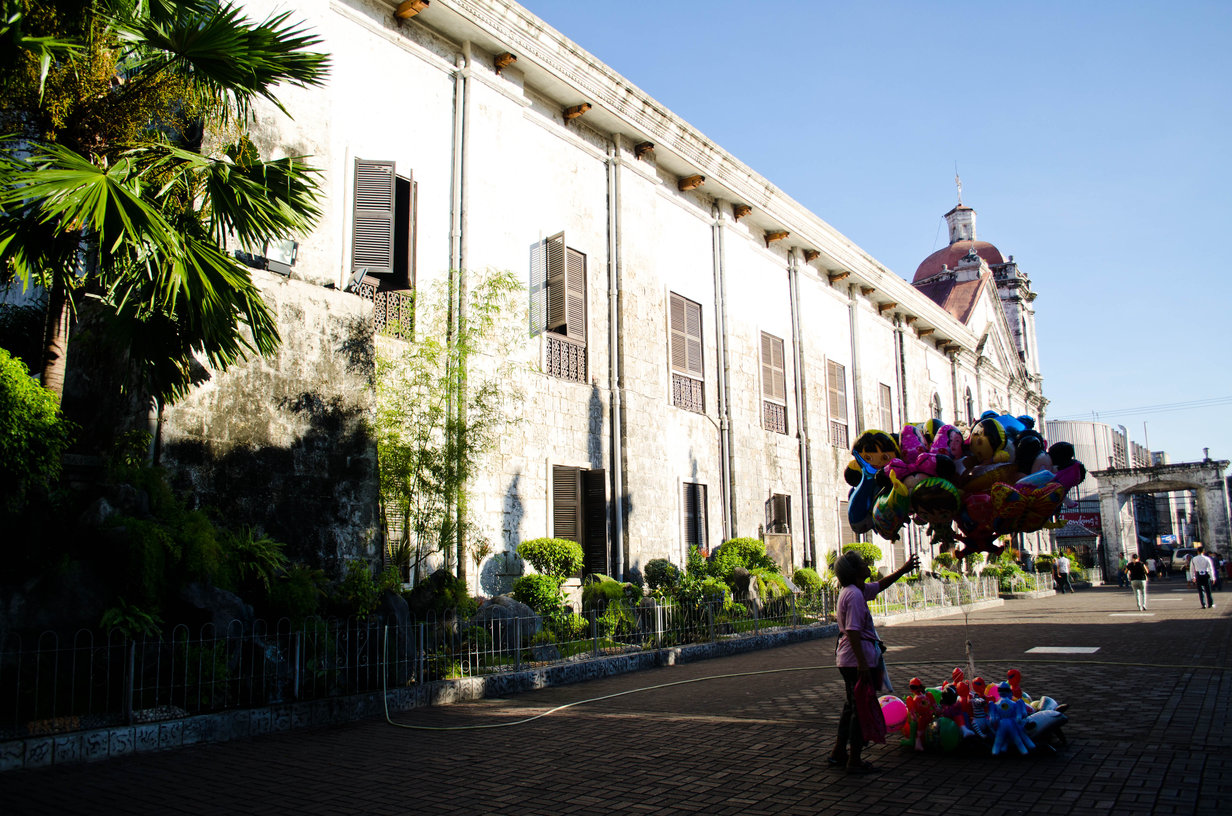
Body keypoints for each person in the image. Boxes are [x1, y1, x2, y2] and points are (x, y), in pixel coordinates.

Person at [829, 550, 920, 775]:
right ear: (855, 571)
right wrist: (862, 665)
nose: (867, 564)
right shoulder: (854, 595)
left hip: (849, 659)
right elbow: (852, 631)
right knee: (859, 709)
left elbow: (880, 585)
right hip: (855, 661)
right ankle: (854, 760)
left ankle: (839, 752)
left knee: (851, 706)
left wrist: (904, 570)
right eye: (862, 563)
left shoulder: (855, 590)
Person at [1189, 545, 1215, 609]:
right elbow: (1211, 569)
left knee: (1201, 591)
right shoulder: (1207, 558)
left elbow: (1192, 569)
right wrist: (1213, 578)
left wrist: (1193, 577)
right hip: (1206, 574)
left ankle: (1203, 604)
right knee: (1208, 590)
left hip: (1198, 575)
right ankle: (1210, 604)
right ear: (1203, 551)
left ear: (1197, 551)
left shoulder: (1193, 559)